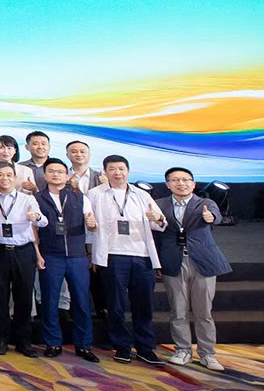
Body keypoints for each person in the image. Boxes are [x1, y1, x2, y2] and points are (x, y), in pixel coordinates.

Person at [87, 155, 167, 364]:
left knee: (143, 305)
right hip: (112, 255)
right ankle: (121, 346)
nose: (117, 173)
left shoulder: (142, 194)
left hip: (142, 255)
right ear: (105, 172)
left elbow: (160, 223)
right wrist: (91, 233)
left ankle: (145, 348)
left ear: (128, 171)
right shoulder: (95, 194)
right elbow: (89, 224)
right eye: (112, 169)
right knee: (115, 305)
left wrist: (157, 219)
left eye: (121, 168)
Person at [154, 167, 231, 371]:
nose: (181, 183)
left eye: (186, 180)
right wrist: (157, 262)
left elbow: (215, 216)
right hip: (173, 261)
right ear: (168, 184)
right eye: (175, 180)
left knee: (203, 312)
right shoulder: (159, 204)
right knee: (178, 310)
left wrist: (210, 218)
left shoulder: (205, 203)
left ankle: (208, 354)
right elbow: (155, 235)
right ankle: (182, 350)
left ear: (193, 184)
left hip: (202, 262)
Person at [33, 159, 97, 361]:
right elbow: (33, 230)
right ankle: (52, 343)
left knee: (82, 301)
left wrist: (92, 224)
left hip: (77, 256)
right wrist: (37, 254)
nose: (56, 175)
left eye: (60, 171)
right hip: (51, 255)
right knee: (50, 300)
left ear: (67, 176)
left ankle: (84, 345)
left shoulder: (80, 197)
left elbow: (91, 223)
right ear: (45, 176)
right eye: (51, 171)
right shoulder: (36, 199)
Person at [0, 161, 45, 356]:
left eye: (9, 175)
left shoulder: (26, 199)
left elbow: (43, 221)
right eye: (0, 175)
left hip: (23, 251)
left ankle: (23, 342)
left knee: (24, 297)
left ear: (15, 177)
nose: (5, 179)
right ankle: (0, 339)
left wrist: (35, 217)